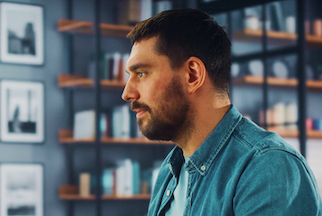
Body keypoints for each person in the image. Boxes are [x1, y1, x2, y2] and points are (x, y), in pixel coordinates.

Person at [122, 8, 322, 215]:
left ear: (192, 75)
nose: (127, 93)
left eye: (142, 73)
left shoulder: (267, 166)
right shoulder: (170, 171)